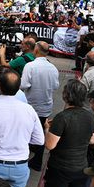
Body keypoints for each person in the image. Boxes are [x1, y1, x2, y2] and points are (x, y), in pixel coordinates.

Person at [44, 80, 94, 187]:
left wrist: (47, 128)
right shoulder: (90, 116)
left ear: (65, 96)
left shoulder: (61, 118)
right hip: (81, 167)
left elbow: (50, 145)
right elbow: (92, 140)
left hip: (60, 168)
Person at [20, 41, 60, 171]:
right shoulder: (52, 67)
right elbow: (55, 86)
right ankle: (37, 157)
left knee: (26, 131)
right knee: (40, 131)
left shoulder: (30, 66)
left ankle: (27, 157)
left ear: (36, 51)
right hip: (45, 106)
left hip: (30, 104)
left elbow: (24, 85)